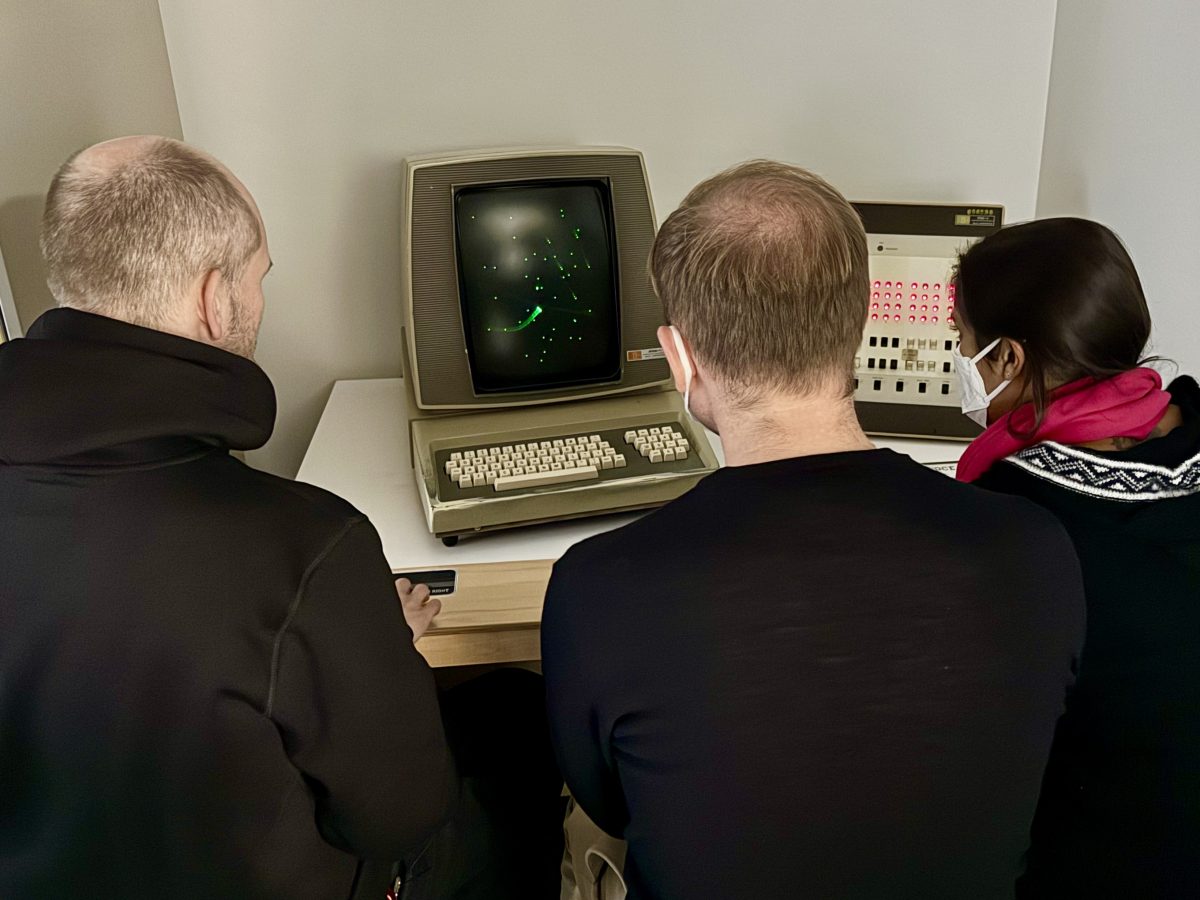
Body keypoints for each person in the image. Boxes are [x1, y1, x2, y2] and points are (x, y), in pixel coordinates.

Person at [0, 136, 558, 900]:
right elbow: (401, 818)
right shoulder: (304, 545)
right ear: (210, 297)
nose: (261, 302)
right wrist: (374, 643)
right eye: (259, 277)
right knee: (512, 716)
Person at [540, 160, 1086, 899]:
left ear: (681, 357)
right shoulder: (1035, 548)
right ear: (857, 325)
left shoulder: (597, 584)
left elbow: (611, 802)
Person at [950, 216, 1200, 897]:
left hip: (1099, 856)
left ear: (1008, 358)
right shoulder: (1190, 418)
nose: (959, 356)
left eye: (962, 340)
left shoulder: (1015, 519)